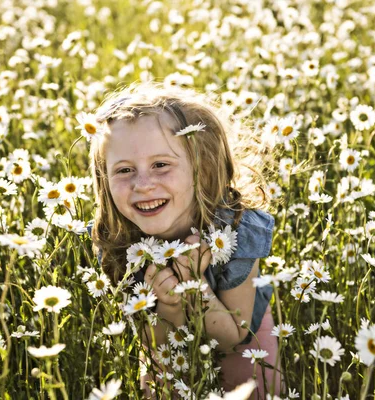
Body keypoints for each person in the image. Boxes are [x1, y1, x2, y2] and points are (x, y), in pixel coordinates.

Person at [87, 82, 283, 398]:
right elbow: (159, 345)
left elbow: (233, 338)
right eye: (124, 170)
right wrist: (171, 306)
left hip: (243, 333)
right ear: (103, 179)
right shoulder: (119, 240)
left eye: (160, 165)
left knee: (257, 389)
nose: (142, 184)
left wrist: (196, 288)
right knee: (161, 390)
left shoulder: (236, 229)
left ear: (200, 168)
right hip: (165, 339)